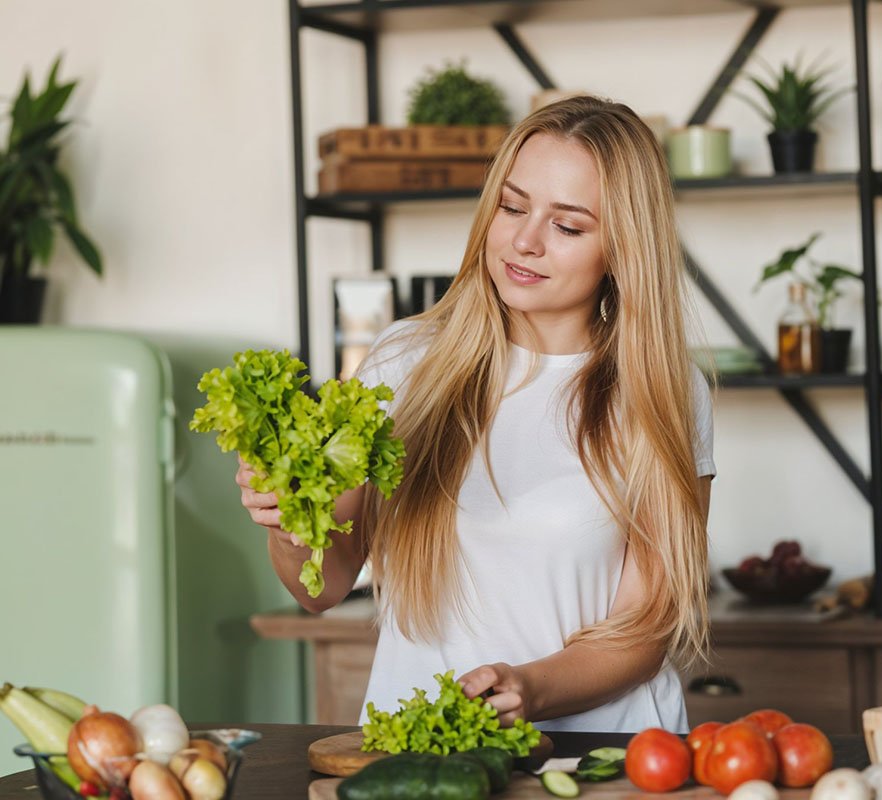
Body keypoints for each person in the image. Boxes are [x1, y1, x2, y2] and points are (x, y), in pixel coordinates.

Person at [236, 95, 715, 733]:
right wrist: (288, 522)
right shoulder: (404, 362)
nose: (524, 240)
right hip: (416, 752)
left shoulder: (664, 391)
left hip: (601, 758)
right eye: (512, 206)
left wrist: (529, 690)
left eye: (567, 226)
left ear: (624, 249)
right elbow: (321, 589)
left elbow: (644, 630)